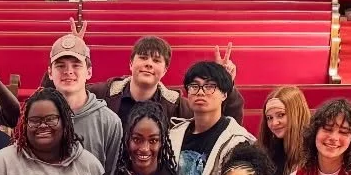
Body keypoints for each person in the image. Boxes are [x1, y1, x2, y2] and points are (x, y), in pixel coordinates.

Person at [89, 35, 245, 124]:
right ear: (131, 63)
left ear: (164, 70)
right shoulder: (102, 94)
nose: (149, 64)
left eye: (156, 61)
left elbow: (225, 122)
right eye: (143, 58)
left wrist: (225, 82)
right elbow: (70, 97)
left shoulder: (177, 106)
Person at [168, 60, 255, 175]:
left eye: (209, 86)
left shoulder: (238, 142)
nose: (200, 92)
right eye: (194, 86)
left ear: (224, 94)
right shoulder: (173, 135)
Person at [46, 34, 122, 166]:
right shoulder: (37, 119)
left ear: (89, 72)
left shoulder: (109, 122)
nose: (68, 71)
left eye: (76, 65)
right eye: (60, 66)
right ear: (50, 73)